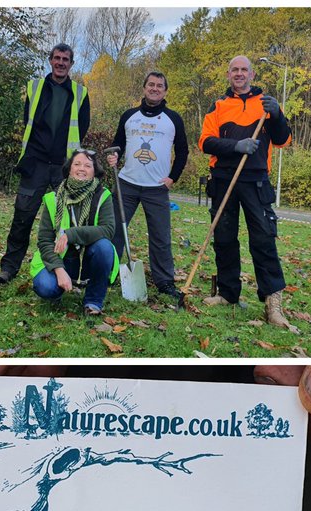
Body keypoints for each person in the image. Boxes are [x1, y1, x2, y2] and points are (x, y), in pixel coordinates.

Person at [199, 56, 292, 328]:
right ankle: (228, 293)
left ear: (252, 74)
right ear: (228, 74)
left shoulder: (265, 104)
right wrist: (235, 146)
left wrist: (277, 116)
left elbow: (283, 140)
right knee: (224, 238)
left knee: (263, 239)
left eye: (244, 70)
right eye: (234, 70)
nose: (239, 74)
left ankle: (272, 303)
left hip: (256, 181)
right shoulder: (218, 106)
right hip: (223, 179)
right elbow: (205, 142)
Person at [0, 43, 89, 284]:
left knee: (66, 221)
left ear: (71, 64)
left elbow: (82, 127)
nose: (61, 62)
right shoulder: (34, 87)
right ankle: (9, 268)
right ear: (50, 60)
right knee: (22, 218)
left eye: (66, 59)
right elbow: (29, 120)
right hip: (35, 164)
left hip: (64, 168)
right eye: (57, 58)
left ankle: (66, 270)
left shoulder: (80, 92)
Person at [104, 71, 189, 303]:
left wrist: (173, 177)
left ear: (165, 91)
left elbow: (183, 152)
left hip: (156, 188)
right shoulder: (129, 116)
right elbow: (117, 144)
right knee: (114, 232)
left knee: (161, 237)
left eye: (159, 85)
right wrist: (115, 155)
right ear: (144, 88)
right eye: (150, 84)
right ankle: (108, 273)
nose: (154, 88)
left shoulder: (173, 119)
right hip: (126, 185)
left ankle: (164, 281)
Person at [30, 149, 117, 316]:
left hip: (89, 258)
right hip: (62, 258)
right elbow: (44, 240)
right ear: (69, 169)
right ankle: (58, 288)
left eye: (87, 165)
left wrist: (71, 234)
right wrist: (58, 269)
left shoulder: (103, 195)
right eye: (77, 164)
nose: (81, 168)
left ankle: (93, 301)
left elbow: (108, 229)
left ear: (94, 171)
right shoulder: (53, 198)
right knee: (45, 287)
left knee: (105, 247)